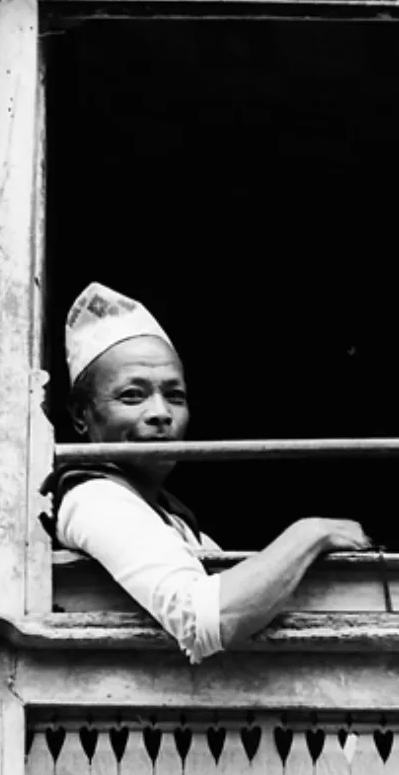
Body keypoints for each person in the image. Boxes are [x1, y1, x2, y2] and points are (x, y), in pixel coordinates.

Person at [56, 283, 371, 664]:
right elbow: (203, 621)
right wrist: (312, 533)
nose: (160, 413)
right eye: (132, 396)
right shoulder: (95, 499)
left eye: (175, 396)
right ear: (80, 415)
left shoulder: (171, 517)